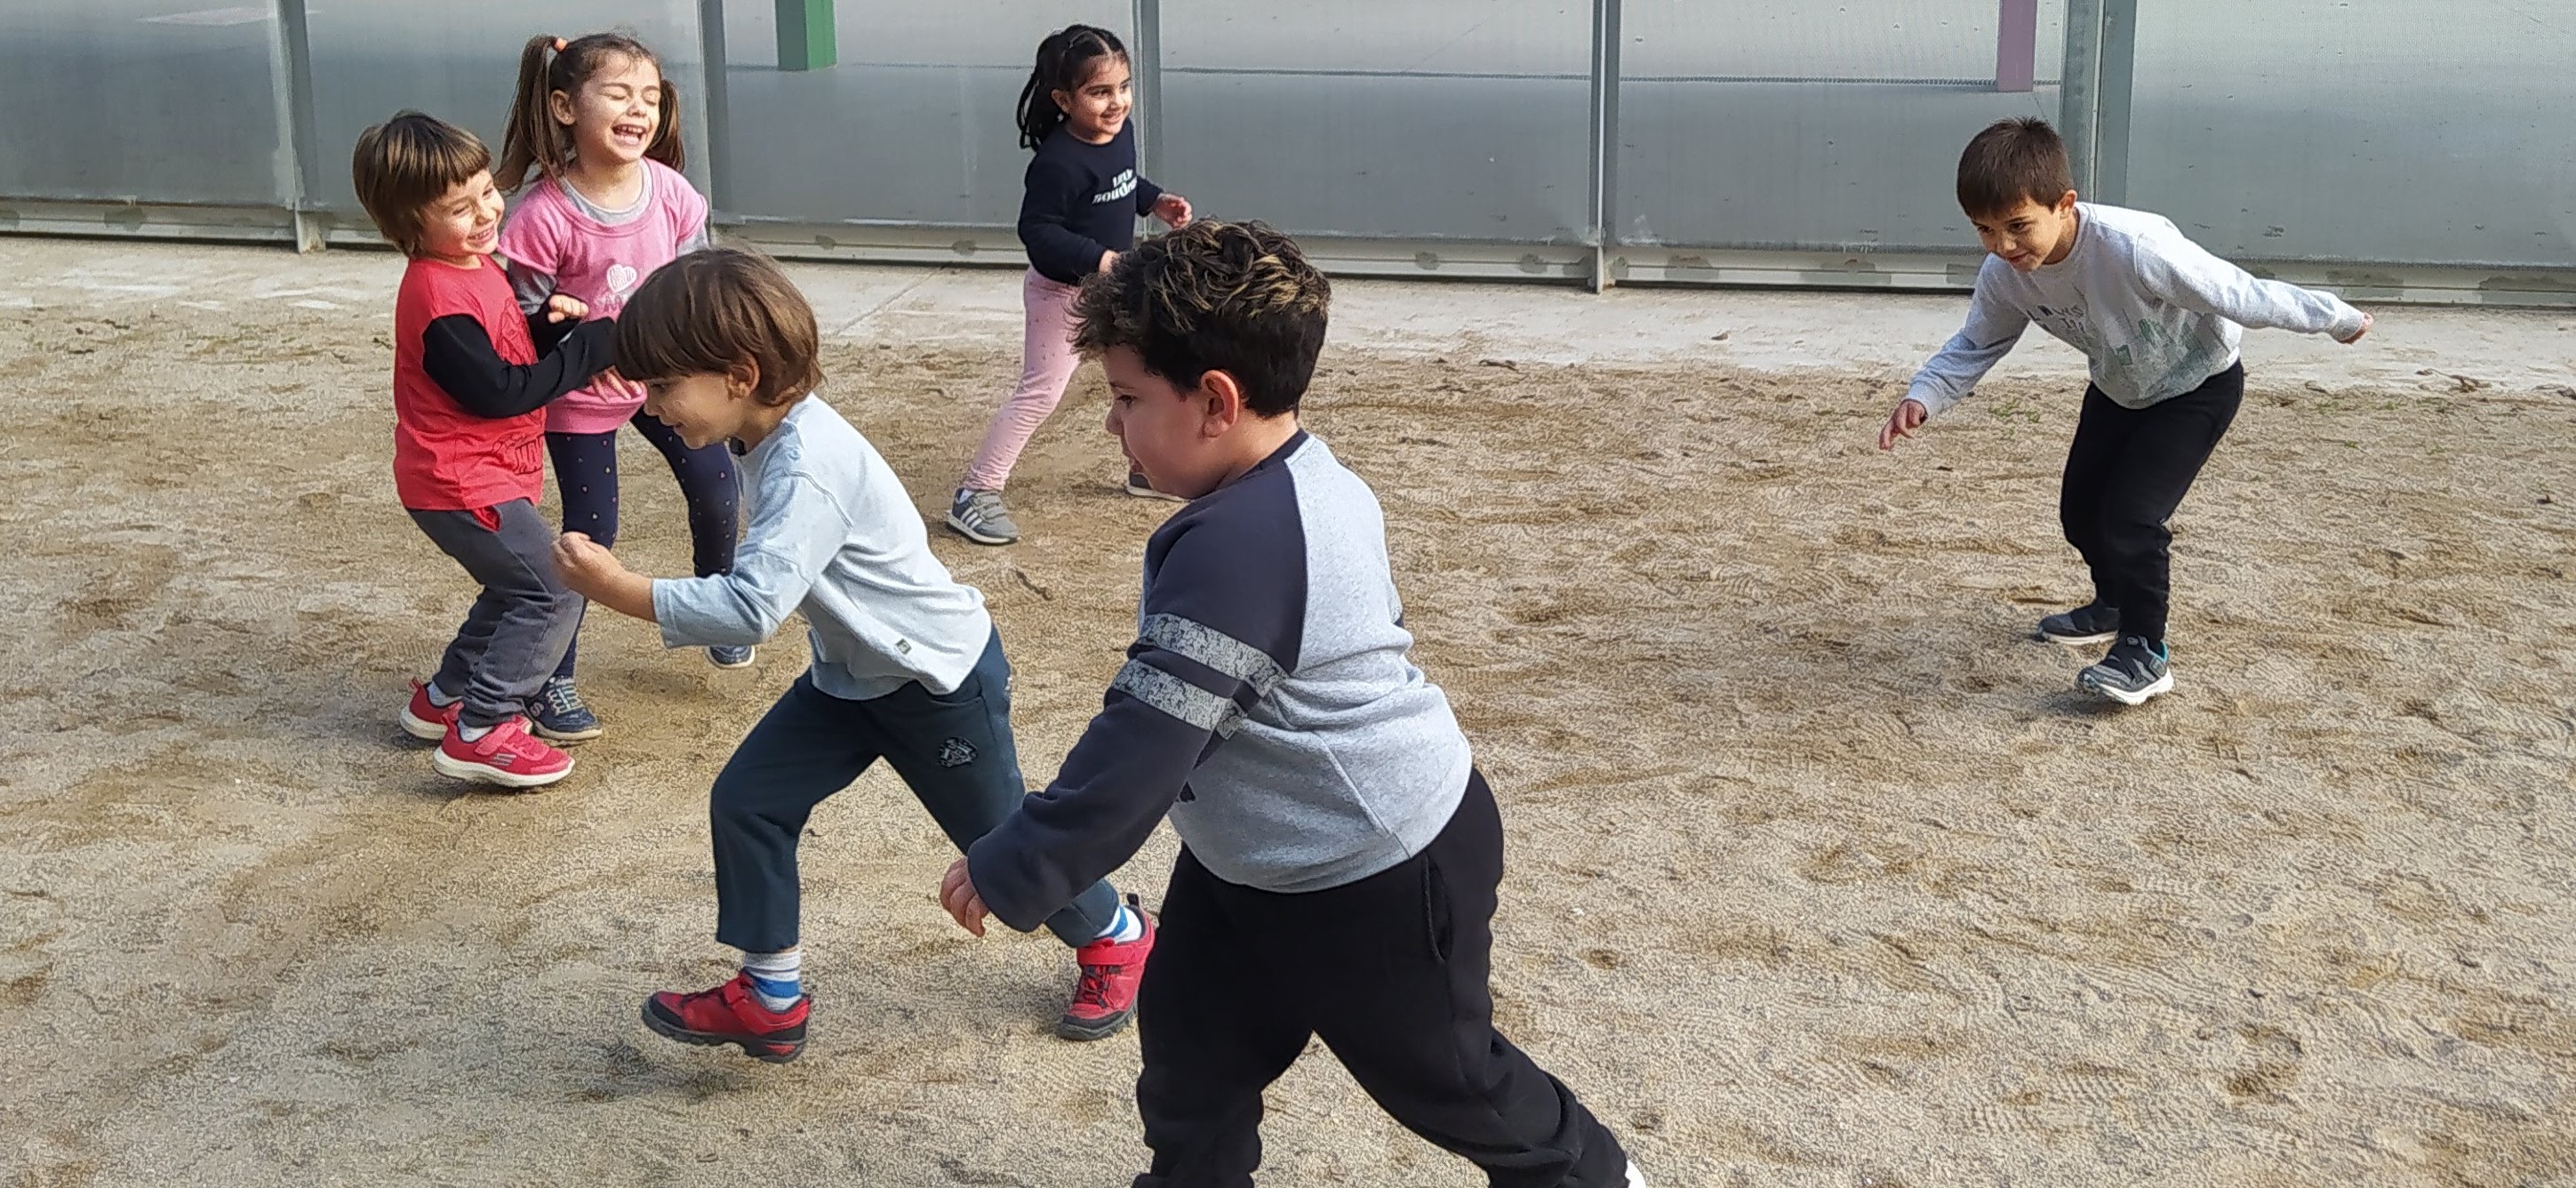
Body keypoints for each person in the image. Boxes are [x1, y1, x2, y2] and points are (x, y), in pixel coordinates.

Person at [940, 221, 1646, 1187]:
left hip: (1374, 865)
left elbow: (1144, 746)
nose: (1111, 425)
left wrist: (1022, 858)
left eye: (1127, 398)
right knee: (1193, 1061)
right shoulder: (1304, 476)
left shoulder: (1244, 542)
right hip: (1254, 857)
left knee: (1449, 1079)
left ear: (1216, 401)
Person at [550, 248, 1154, 1063]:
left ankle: (1119, 933)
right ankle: (770, 996)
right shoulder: (765, 435)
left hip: (935, 681)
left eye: (661, 387)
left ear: (739, 375)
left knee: (1002, 843)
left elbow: (751, 608)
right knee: (749, 801)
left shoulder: (808, 465)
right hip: (850, 677)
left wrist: (620, 588)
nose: (650, 406)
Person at [1879, 116, 2372, 705]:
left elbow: (2241, 293)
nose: (2003, 246)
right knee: (2081, 514)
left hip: (2197, 387)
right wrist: (1925, 394)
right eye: (1985, 230)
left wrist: (2337, 318)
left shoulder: (2135, 249)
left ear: (2064, 204)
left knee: (2133, 517)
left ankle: (2145, 651)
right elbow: (1978, 342)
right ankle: (2113, 603)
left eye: (2018, 226)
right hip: (2119, 389)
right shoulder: (2006, 277)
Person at [354, 110, 617, 788]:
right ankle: (485, 725)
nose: (485, 212)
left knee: (514, 584)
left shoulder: (471, 266)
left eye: (486, 192)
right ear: (409, 224)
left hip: (479, 475)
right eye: (459, 208)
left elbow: (503, 355)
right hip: (459, 482)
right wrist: (586, 352)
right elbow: (498, 392)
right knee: (557, 584)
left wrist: (547, 330)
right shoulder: (434, 297)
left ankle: (445, 698)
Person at [495, 30, 745, 744]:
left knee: (717, 488)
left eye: (650, 98)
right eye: (618, 95)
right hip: (581, 394)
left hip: (663, 379)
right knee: (591, 533)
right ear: (564, 107)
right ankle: (553, 676)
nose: (639, 111)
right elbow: (524, 321)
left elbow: (697, 283)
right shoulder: (542, 214)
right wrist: (569, 336)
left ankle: (716, 610)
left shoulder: (672, 193)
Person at [945, 22, 1193, 546]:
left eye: (1123, 87)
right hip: (1061, 296)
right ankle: (975, 492)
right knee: (1040, 393)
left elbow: (1119, 181)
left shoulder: (1119, 131)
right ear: (1063, 99)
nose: (1117, 102)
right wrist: (1099, 259)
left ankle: (1146, 468)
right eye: (1100, 92)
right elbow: (1037, 232)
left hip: (1115, 285)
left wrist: (1153, 200)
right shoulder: (1057, 163)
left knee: (1143, 377)